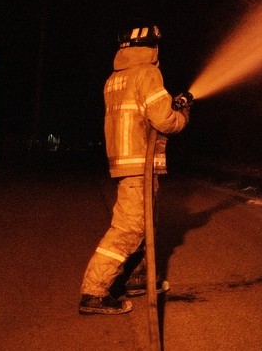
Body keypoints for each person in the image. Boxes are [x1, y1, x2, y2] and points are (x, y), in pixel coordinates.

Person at [78, 24, 190, 315]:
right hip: (139, 162)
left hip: (128, 162)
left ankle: (138, 278)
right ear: (150, 48)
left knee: (144, 224)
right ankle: (94, 291)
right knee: (128, 229)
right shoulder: (147, 73)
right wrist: (182, 115)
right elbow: (163, 120)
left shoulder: (115, 79)